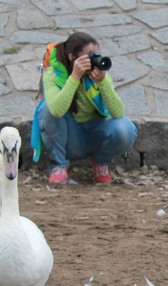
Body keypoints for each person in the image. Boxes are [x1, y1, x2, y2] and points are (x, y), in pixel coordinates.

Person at [32, 32, 137, 185]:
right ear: (71, 58)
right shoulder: (53, 75)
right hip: (68, 137)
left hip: (93, 133)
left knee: (125, 128)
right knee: (47, 107)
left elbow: (118, 113)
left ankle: (100, 162)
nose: (94, 61)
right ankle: (58, 166)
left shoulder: (99, 75)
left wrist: (102, 82)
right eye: (88, 57)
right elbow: (55, 111)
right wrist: (74, 78)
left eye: (96, 55)